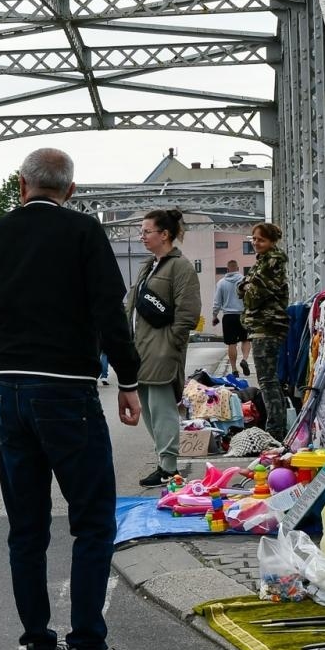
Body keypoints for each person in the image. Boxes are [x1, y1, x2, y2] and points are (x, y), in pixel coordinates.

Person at [0, 147, 153, 650]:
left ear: (22, 186)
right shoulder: (83, 234)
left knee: (28, 526)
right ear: (70, 190)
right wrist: (128, 379)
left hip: (12, 394)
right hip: (68, 393)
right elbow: (108, 313)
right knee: (92, 520)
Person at [127, 208, 202, 488]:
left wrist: (172, 342)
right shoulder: (151, 265)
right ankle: (163, 463)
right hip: (142, 348)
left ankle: (169, 467)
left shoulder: (179, 267)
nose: (142, 236)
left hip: (161, 349)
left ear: (165, 234)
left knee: (162, 409)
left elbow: (188, 311)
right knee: (148, 408)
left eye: (147, 231)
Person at [239, 222, 291, 441]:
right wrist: (246, 286)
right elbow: (245, 288)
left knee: (267, 382)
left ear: (271, 242)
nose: (256, 243)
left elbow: (252, 295)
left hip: (266, 325)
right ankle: (280, 427)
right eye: (253, 239)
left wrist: (246, 286)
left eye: (260, 239)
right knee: (271, 381)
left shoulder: (270, 262)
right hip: (266, 325)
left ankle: (275, 432)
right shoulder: (266, 261)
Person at [212, 259, 252, 376]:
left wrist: (215, 315)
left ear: (227, 269)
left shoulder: (221, 283)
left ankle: (234, 369)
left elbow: (217, 302)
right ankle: (244, 359)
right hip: (243, 315)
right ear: (238, 268)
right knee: (246, 340)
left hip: (228, 317)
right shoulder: (245, 280)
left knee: (231, 343)